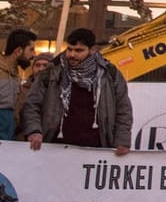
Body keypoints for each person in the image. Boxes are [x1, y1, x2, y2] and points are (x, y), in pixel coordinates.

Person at [20, 27, 132, 156]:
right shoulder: (52, 72)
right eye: (70, 49)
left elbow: (123, 109)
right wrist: (34, 131)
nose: (72, 55)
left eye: (79, 50)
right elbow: (31, 104)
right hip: (54, 147)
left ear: (92, 50)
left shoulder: (109, 74)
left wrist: (122, 141)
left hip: (96, 148)